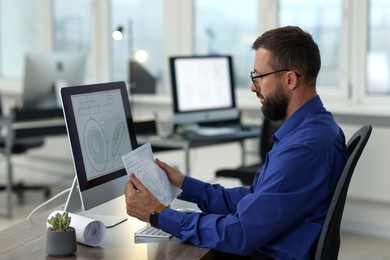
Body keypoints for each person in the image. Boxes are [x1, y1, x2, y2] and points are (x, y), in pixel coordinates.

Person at [124, 26, 348, 259]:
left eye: (259, 76)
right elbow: (254, 199)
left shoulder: (304, 149)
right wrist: (184, 185)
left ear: (290, 79)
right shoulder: (314, 129)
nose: (253, 86)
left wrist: (157, 215)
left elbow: (240, 233)